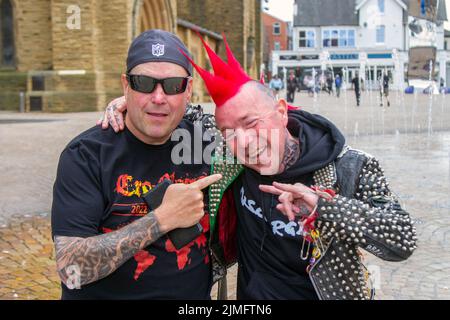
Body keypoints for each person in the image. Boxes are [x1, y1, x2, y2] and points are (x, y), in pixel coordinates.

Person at [104, 33, 417, 300]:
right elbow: (182, 116)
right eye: (229, 133)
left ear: (281, 111)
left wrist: (325, 209)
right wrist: (134, 103)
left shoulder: (349, 166)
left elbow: (403, 240)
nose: (245, 142)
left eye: (252, 123)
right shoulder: (232, 158)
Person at [51, 29, 223, 300]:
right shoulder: (85, 155)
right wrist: (162, 218)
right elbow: (71, 268)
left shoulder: (210, 142)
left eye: (172, 85)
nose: (158, 97)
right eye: (143, 83)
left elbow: (269, 122)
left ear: (188, 89)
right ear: (125, 85)